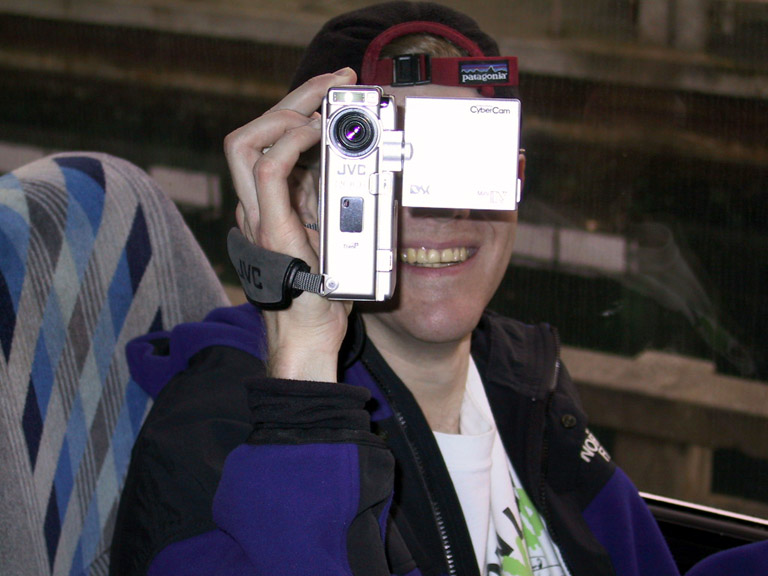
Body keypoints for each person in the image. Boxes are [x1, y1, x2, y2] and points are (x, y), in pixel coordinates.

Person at [109, 3, 685, 575]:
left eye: (470, 158)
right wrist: (302, 391)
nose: (441, 207)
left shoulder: (527, 380)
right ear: (301, 195)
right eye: (387, 163)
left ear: (516, 178)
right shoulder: (220, 428)